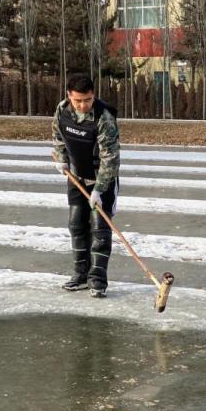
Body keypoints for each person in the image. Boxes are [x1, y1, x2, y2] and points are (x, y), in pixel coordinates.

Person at [52, 73, 120, 298]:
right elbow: (58, 136)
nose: (83, 105)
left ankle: (98, 281)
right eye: (78, 100)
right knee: (76, 225)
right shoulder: (62, 110)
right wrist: (62, 159)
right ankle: (80, 276)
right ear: (69, 96)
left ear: (94, 96)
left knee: (100, 229)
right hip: (76, 178)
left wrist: (99, 189)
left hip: (102, 181)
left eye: (88, 100)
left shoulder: (104, 117)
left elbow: (110, 158)